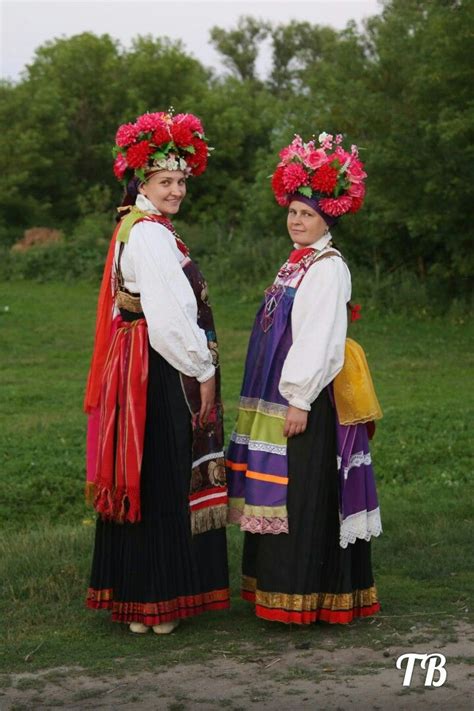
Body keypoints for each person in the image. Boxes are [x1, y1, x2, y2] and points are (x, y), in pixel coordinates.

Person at [226, 132, 383, 624]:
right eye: (293, 212)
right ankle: (272, 587)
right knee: (279, 491)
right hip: (277, 397)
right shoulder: (297, 262)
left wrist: (298, 398)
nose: (297, 221)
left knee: (300, 492)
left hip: (305, 403)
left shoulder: (328, 267)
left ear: (327, 219)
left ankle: (309, 597)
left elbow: (319, 337)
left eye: (308, 214)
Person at [84, 111, 229, 634]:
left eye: (181, 181)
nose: (175, 190)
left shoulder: (135, 225)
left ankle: (138, 602)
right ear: (142, 183)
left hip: (134, 364)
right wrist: (203, 367)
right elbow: (168, 318)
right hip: (157, 368)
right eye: (165, 181)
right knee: (163, 475)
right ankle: (157, 602)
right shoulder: (149, 235)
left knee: (142, 474)